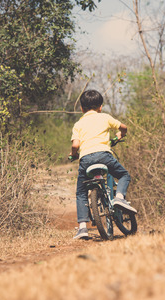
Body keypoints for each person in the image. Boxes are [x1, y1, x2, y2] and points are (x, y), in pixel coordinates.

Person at [69, 89, 137, 239]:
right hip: (104, 155)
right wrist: (120, 135)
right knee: (124, 175)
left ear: (81, 108)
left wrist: (73, 155)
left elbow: (75, 145)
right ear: (100, 107)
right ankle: (119, 197)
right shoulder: (105, 117)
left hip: (86, 159)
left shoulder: (78, 124)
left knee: (81, 192)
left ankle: (82, 228)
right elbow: (123, 127)